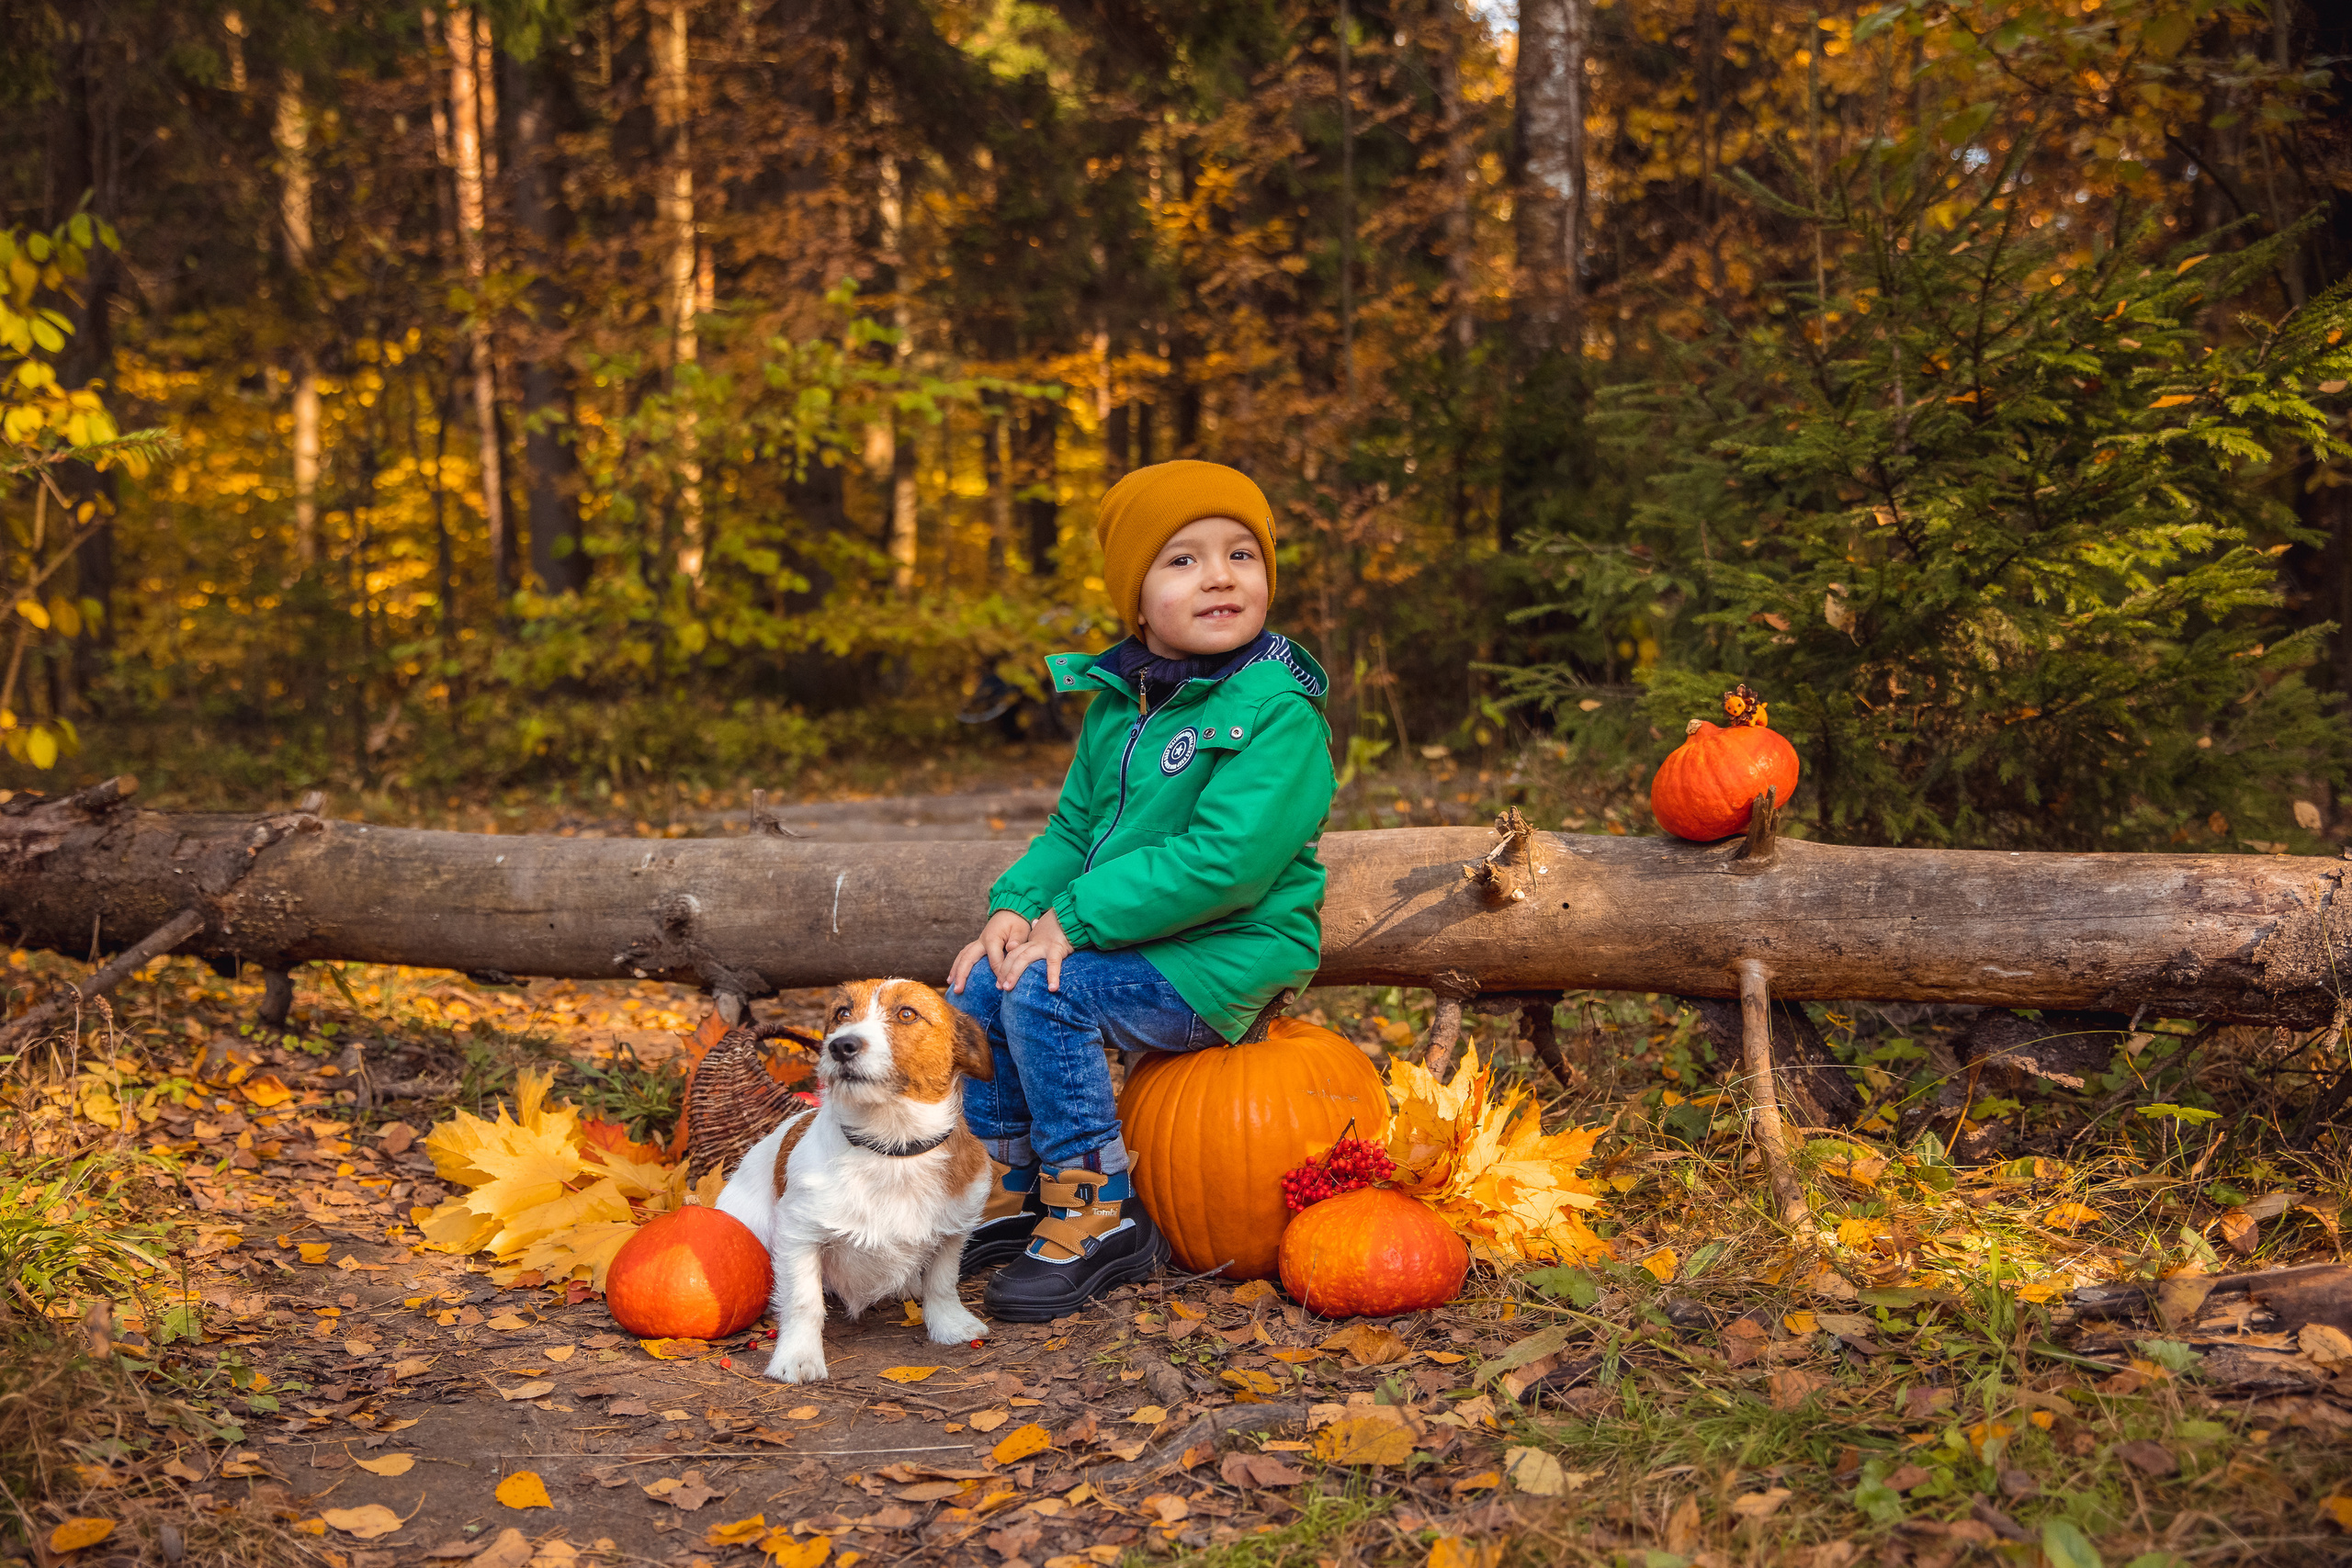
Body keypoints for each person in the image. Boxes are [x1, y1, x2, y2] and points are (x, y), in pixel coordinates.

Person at [945, 458, 1336, 1320]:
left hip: (1227, 953)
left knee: (1050, 992)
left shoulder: (1276, 710)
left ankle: (1099, 1207)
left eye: (1241, 554)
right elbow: (1073, 832)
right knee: (982, 980)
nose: (1220, 576)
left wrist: (1075, 918)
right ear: (1137, 597)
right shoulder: (1120, 705)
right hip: (1138, 935)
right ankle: (1010, 1184)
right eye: (1184, 559)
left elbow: (1228, 860)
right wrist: (1016, 909)